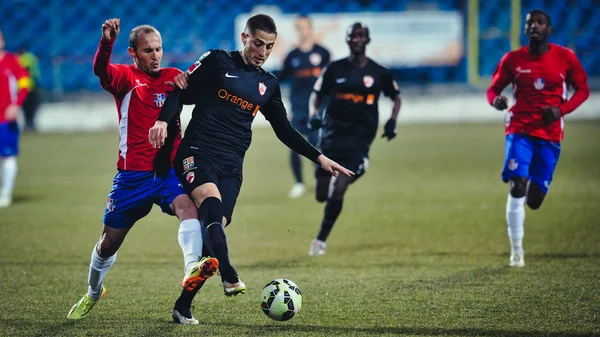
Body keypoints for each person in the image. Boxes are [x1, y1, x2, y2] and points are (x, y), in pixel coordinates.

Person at [148, 13, 353, 321]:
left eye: (269, 47)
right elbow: (181, 91)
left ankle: (183, 305)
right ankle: (229, 274)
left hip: (232, 165)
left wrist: (319, 157)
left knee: (212, 235)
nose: (263, 52)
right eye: (258, 44)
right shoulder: (217, 61)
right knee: (211, 208)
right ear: (244, 38)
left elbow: (284, 129)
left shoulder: (268, 84)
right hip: (198, 151)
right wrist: (163, 119)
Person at [67, 18, 219, 325]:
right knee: (108, 243)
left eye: (159, 49)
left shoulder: (173, 77)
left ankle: (192, 267)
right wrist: (105, 43)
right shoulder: (124, 78)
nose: (155, 55)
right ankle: (94, 291)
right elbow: (100, 70)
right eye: (148, 50)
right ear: (133, 53)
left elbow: (204, 93)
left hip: (168, 172)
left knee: (188, 208)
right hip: (132, 177)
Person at [487, 9, 589, 267]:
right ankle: (517, 250)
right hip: (519, 129)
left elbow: (583, 89)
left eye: (539, 22)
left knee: (534, 200)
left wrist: (561, 110)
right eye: (529, 22)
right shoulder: (512, 60)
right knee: (517, 184)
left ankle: (537, 189)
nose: (534, 26)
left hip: (550, 135)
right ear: (525, 30)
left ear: (549, 29)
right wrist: (496, 101)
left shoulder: (566, 58)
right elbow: (493, 89)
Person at [306, 22, 401, 257]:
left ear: (368, 40)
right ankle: (329, 195)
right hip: (330, 138)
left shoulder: (379, 73)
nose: (357, 39)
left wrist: (392, 121)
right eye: (353, 36)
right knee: (321, 195)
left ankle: (320, 241)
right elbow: (316, 94)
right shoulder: (334, 69)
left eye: (361, 36)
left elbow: (396, 97)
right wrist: (314, 114)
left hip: (359, 142)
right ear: (348, 40)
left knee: (338, 189)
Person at [279, 15, 330, 198]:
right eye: (298, 27)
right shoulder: (292, 56)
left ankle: (320, 181)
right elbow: (281, 79)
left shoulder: (323, 53)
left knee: (317, 145)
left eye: (304, 27)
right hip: (298, 108)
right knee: (294, 146)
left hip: (317, 109)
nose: (301, 30)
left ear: (310, 29)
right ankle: (299, 183)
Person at [0, 29, 30, 208]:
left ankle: (6, 193)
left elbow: (25, 84)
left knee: (7, 156)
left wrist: (16, 104)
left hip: (5, 119)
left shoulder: (12, 61)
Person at [17, 45, 41, 132]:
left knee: (27, 107)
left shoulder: (23, 58)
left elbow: (25, 70)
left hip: (27, 86)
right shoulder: (31, 57)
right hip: (31, 85)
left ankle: (29, 124)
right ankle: (30, 124)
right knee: (30, 107)